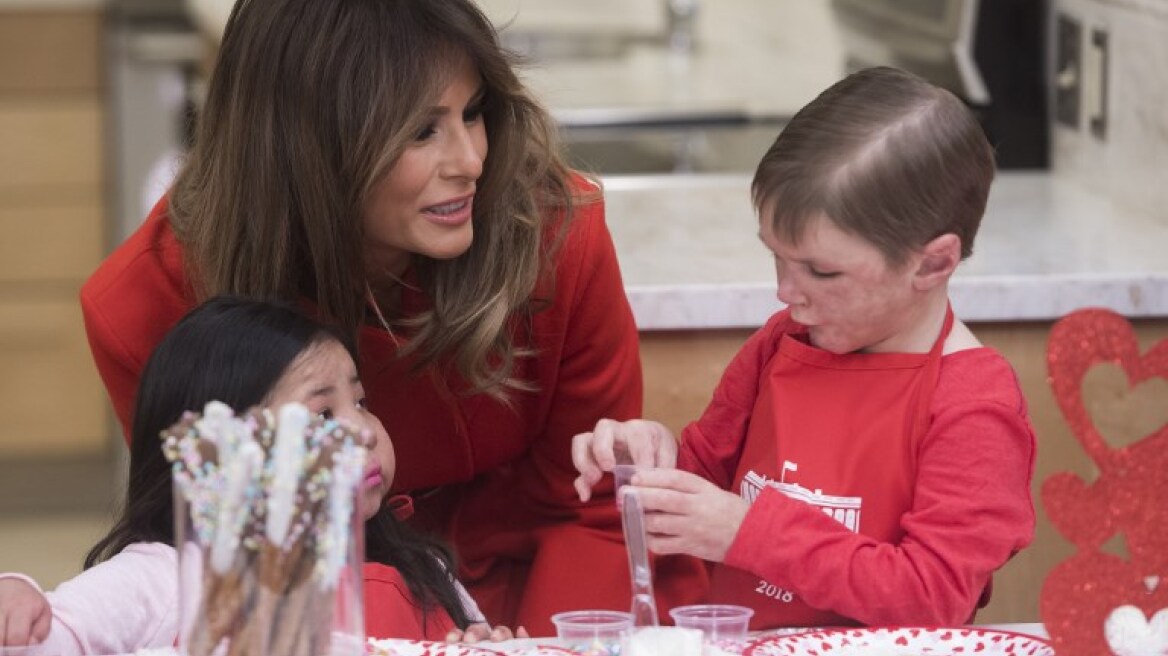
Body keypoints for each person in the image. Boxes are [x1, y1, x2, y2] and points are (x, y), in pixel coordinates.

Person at [79, 0, 705, 632]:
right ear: (309, 146)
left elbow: (590, 509)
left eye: (473, 112)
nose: (470, 161)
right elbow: (220, 553)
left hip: (535, 614)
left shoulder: (556, 236)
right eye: (421, 131)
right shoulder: (149, 303)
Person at [572, 67, 1037, 629]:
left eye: (822, 271)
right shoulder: (781, 343)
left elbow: (933, 597)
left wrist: (747, 534)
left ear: (933, 263)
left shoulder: (974, 407)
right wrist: (645, 462)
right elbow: (704, 482)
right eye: (777, 256)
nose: (785, 291)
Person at [0, 296, 523, 652]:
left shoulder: (422, 571)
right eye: (322, 415)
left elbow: (471, 641)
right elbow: (49, 636)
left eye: (361, 402)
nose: (363, 431)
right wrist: (17, 600)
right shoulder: (166, 578)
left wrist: (486, 645)